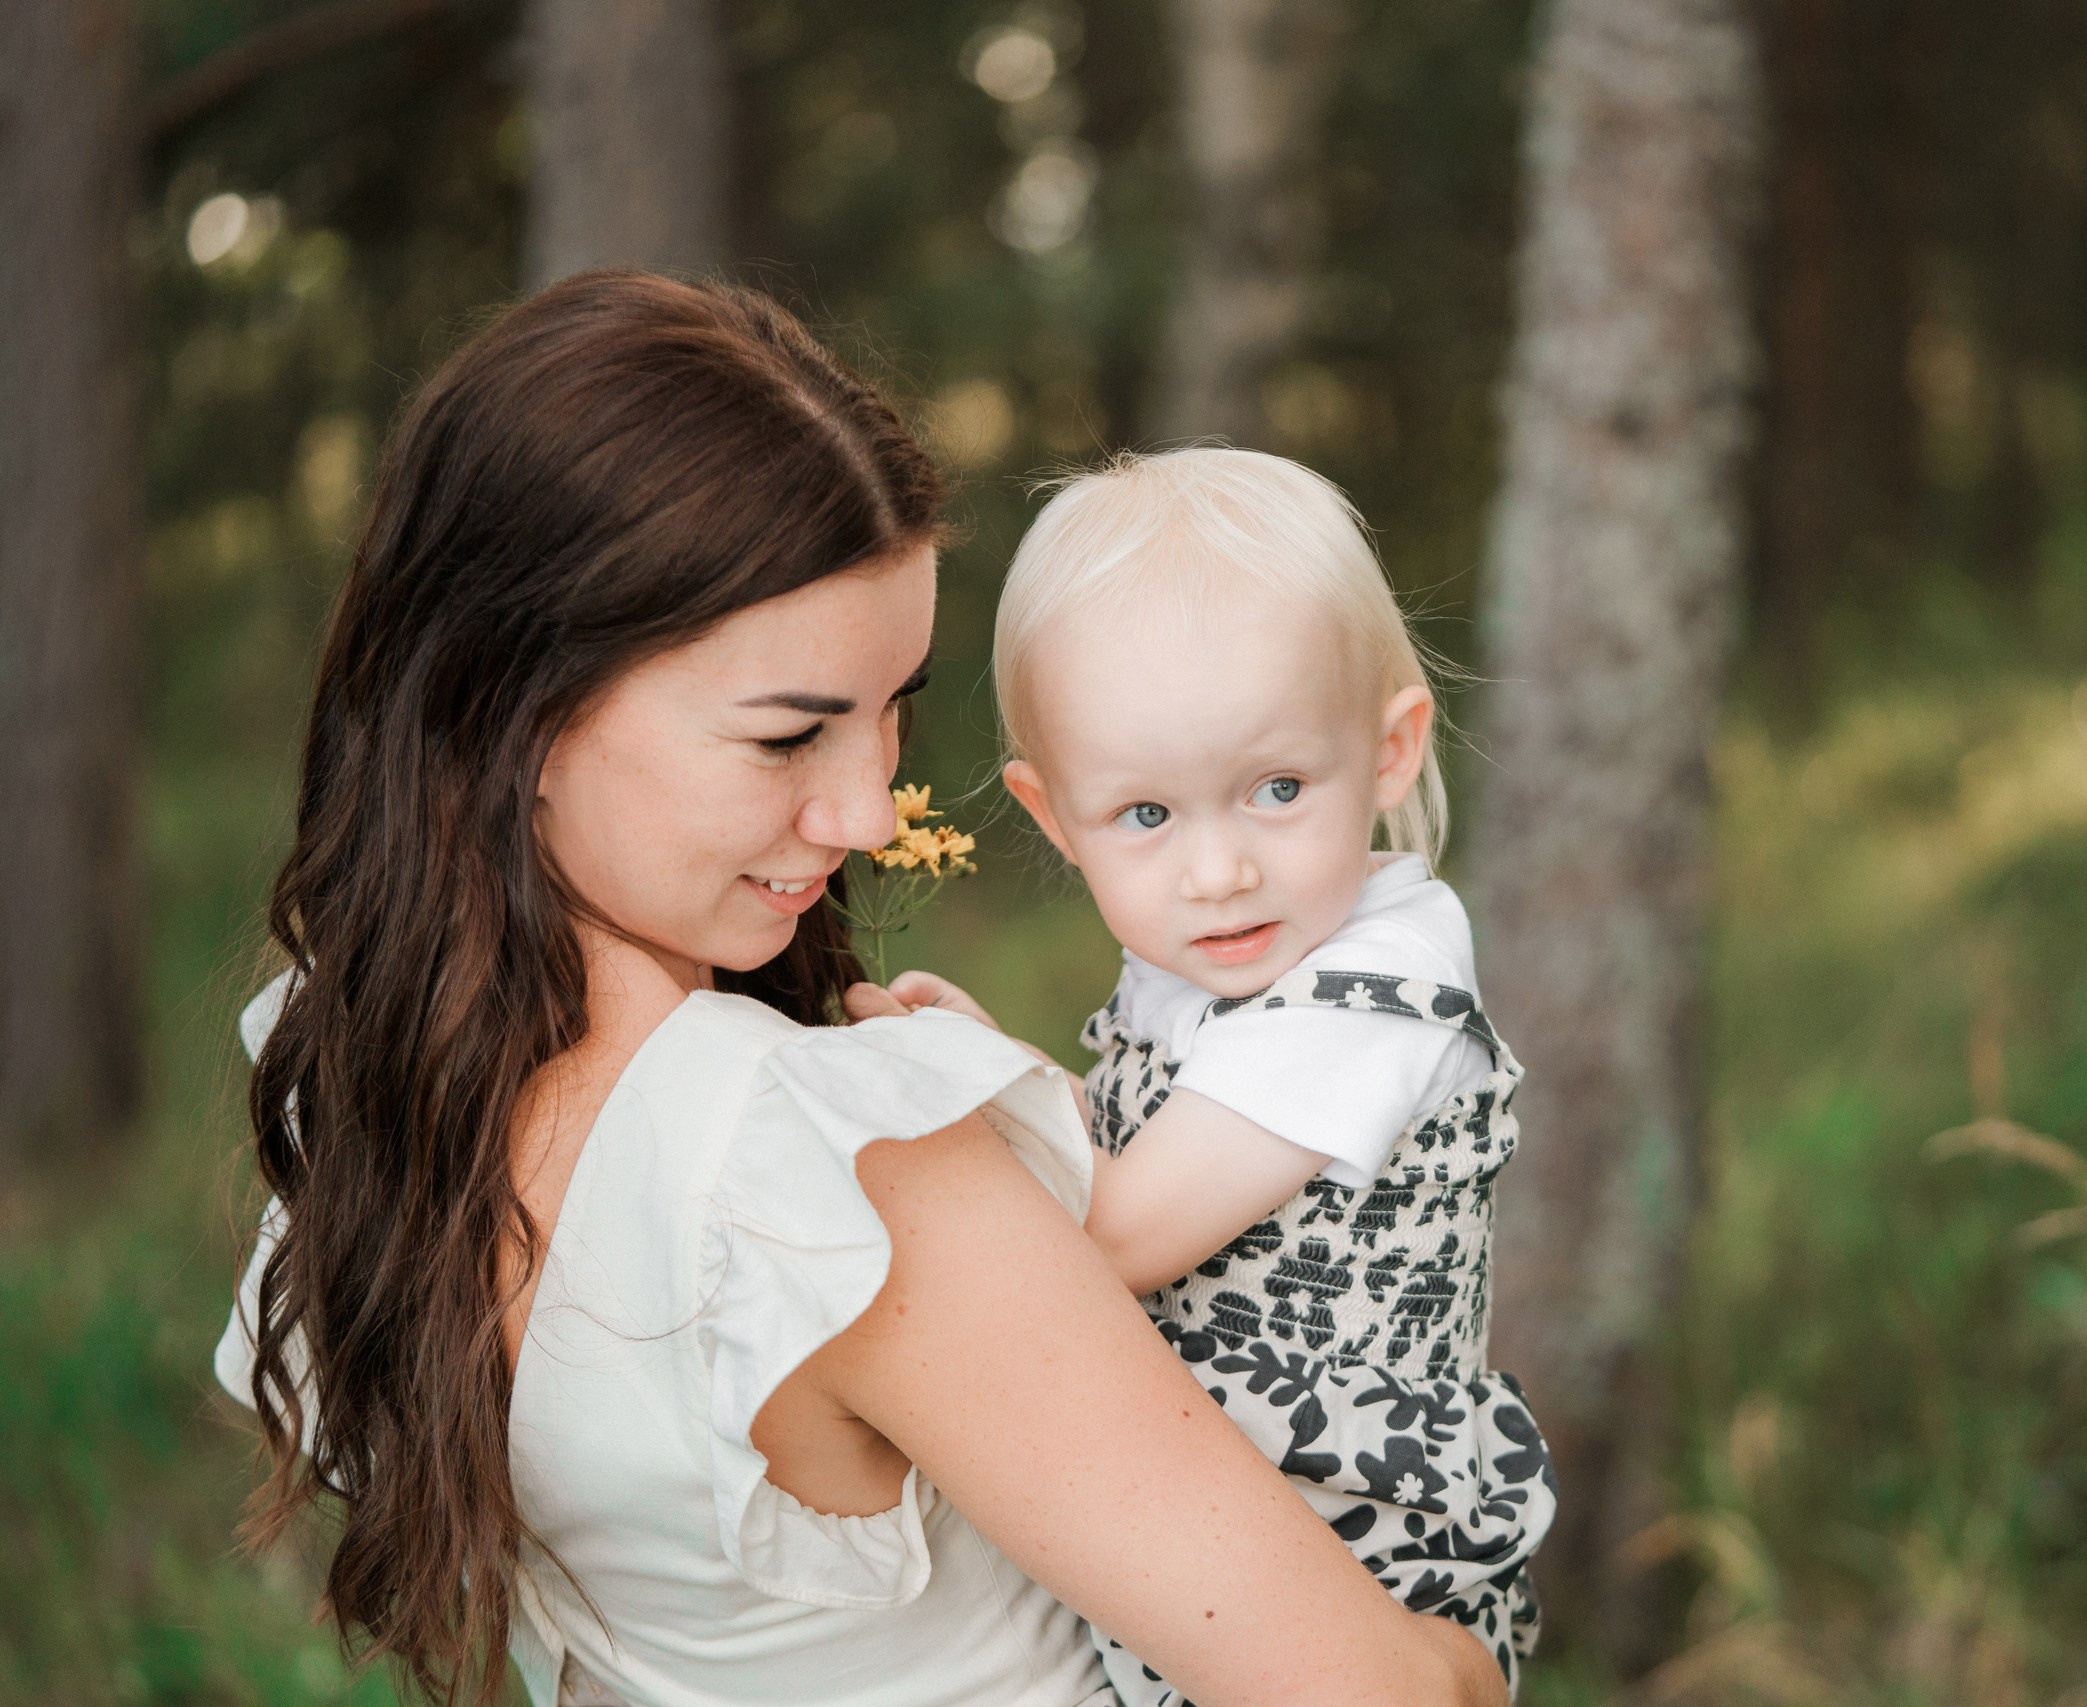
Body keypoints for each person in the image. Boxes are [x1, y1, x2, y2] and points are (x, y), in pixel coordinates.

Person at [212, 271, 1507, 1707]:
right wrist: (1462, 1654)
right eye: (786, 737)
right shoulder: (823, 1177)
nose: (871, 813)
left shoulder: (352, 1078)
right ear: (512, 709)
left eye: (894, 710)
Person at [873, 449, 1554, 1705]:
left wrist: (956, 1111)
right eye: (1146, 816)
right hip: (1221, 1546)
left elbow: (1125, 1228)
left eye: (1277, 790)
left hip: (1363, 1570)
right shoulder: (1223, 965)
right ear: (1054, 816)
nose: (1218, 870)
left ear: (1392, 749)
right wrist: (1014, 1071)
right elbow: (1140, 1155)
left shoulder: (1375, 989)